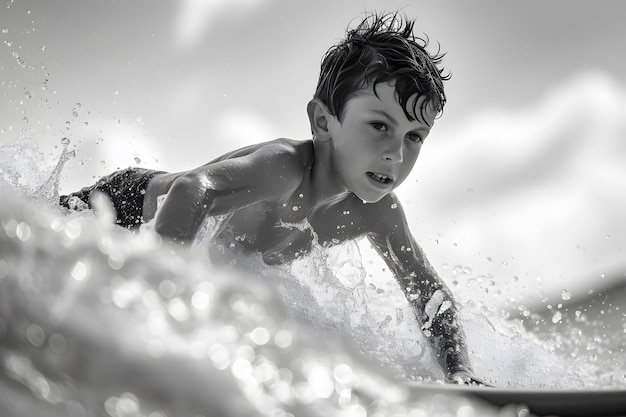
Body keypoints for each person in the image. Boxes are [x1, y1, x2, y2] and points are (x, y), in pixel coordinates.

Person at [61, 12, 483, 385]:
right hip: (125, 207)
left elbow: (428, 290)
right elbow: (192, 190)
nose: (396, 152)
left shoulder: (377, 213)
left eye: (414, 137)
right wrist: (161, 303)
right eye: (379, 126)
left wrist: (458, 370)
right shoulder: (284, 168)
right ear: (323, 121)